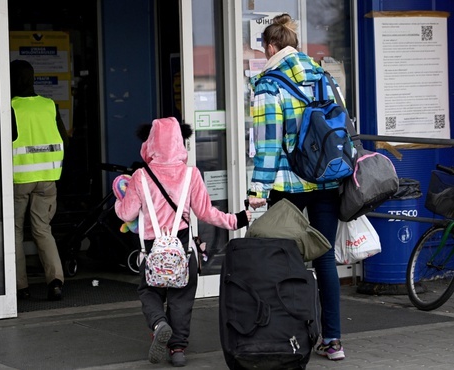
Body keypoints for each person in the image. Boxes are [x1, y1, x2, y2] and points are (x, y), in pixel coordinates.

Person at [115, 117, 251, 367]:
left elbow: (126, 214)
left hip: (151, 248)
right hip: (182, 245)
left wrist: (118, 201)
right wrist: (238, 220)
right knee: (182, 295)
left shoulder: (140, 176)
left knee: (149, 290)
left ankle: (159, 324)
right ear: (180, 142)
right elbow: (208, 213)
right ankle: (177, 348)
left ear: (151, 143)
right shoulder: (191, 174)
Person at [247, 14, 345, 361]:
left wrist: (257, 192)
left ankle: (288, 338)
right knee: (325, 259)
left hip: (287, 185)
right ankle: (332, 341)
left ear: (271, 47)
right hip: (326, 178)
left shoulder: (268, 85)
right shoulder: (323, 76)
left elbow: (268, 146)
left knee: (283, 262)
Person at [10, 59, 68, 301]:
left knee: (13, 232)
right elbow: (64, 137)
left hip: (19, 178)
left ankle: (19, 286)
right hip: (47, 178)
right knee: (43, 230)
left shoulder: (11, 107)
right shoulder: (49, 105)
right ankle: (55, 281)